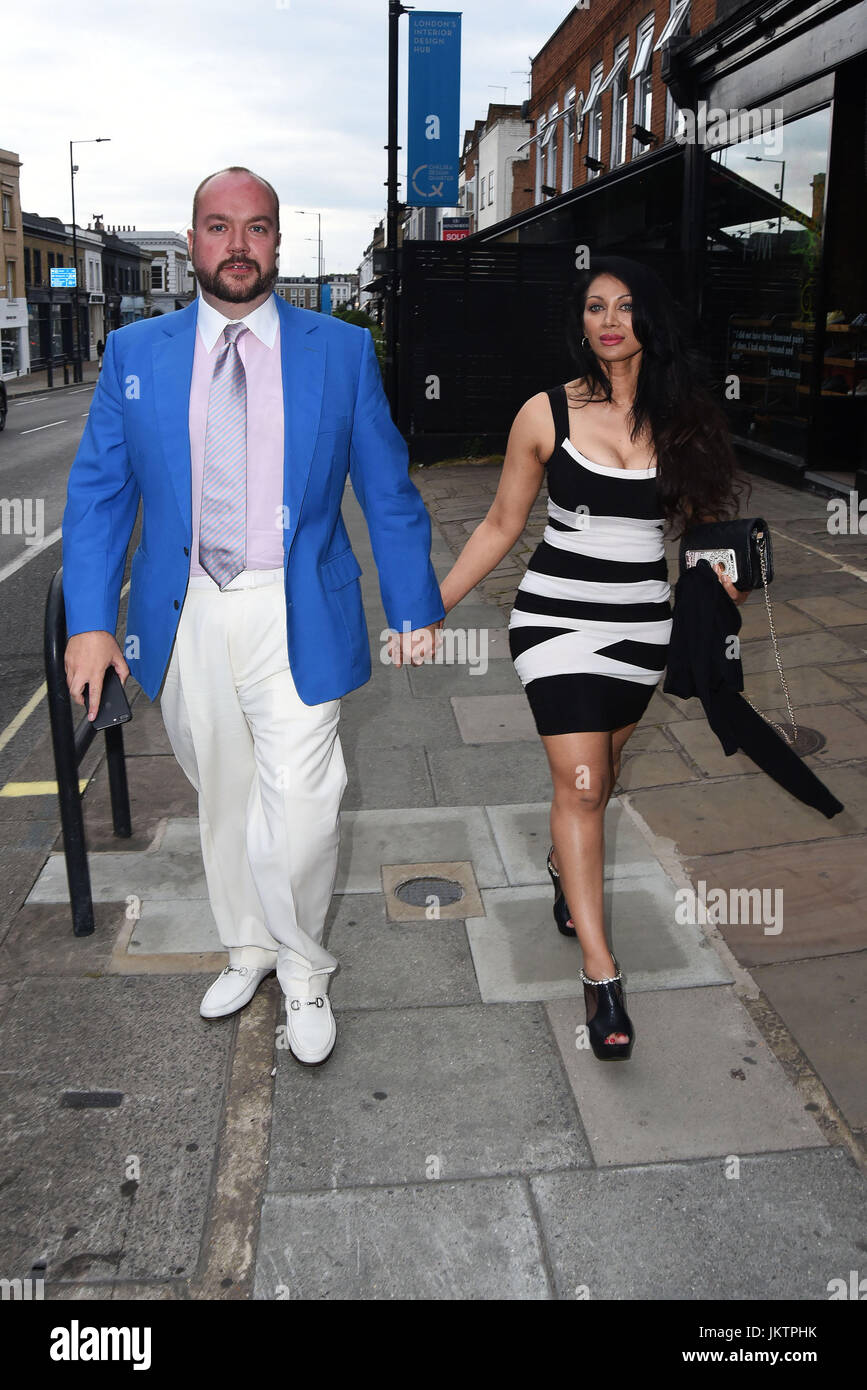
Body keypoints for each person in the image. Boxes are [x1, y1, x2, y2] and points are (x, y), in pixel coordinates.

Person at [62, 166, 443, 1065]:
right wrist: (89, 622)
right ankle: (248, 945)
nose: (238, 245)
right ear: (191, 241)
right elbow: (100, 494)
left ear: (276, 242)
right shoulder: (136, 354)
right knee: (223, 794)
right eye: (218, 226)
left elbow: (386, 488)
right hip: (187, 609)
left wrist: (414, 603)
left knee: (309, 804)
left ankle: (305, 969)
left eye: (258, 227)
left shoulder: (339, 352)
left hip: (294, 604)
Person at [438, 255, 747, 1061]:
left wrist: (728, 589)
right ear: (579, 324)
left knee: (598, 779)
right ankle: (602, 977)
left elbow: (707, 538)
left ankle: (556, 862)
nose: (607, 319)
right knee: (579, 785)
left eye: (624, 306)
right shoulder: (543, 413)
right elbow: (501, 524)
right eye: (593, 307)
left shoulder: (685, 421)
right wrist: (428, 605)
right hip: (555, 622)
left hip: (642, 628)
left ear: (651, 321)